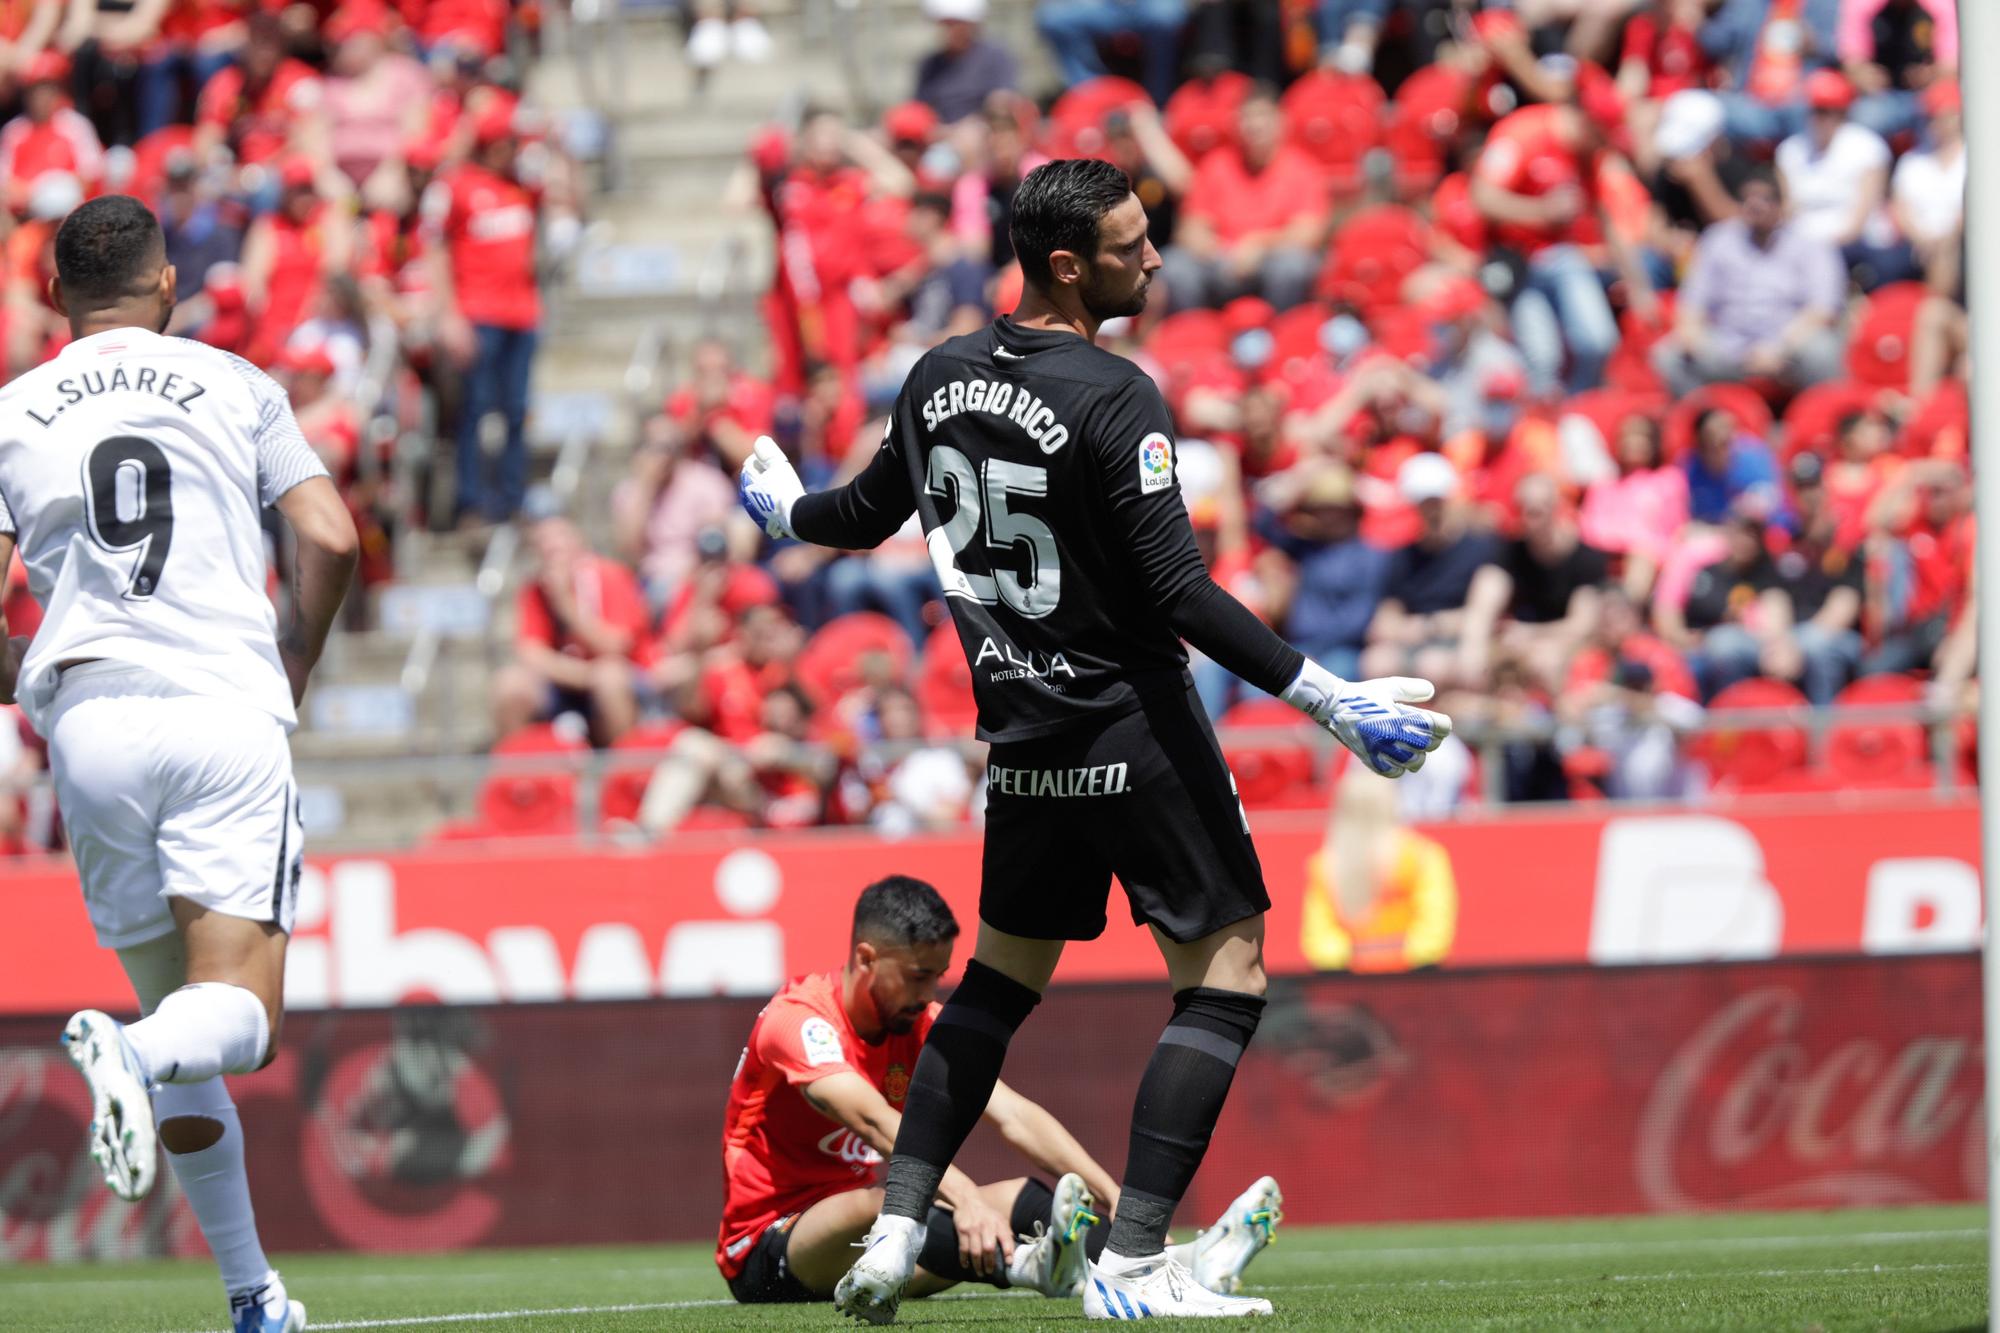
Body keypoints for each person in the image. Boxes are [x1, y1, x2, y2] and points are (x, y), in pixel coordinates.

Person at [738, 157, 1448, 1321]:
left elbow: (859, 516)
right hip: (1134, 722)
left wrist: (781, 512)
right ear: (1066, 264)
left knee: (993, 990)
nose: (1155, 257)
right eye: (1131, 243)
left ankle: (903, 1220)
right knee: (1224, 974)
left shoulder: (937, 373)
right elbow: (1176, 588)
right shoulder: (1115, 394)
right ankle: (1133, 1259)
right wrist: (1325, 694)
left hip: (1021, 745)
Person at [0, 196, 357, 1333]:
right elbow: (334, 534)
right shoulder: (236, 382)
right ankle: (128, 1047)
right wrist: (294, 646)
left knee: (183, 1028)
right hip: (218, 708)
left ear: (56, 298)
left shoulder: (10, 411)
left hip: (90, 731)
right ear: (168, 288)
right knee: (235, 1020)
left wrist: (43, 665)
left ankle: (253, 1295)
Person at [718, 874, 1282, 1306]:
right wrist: (964, 1201)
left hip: (865, 1248)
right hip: (769, 1247)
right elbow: (876, 1123)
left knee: (1021, 1198)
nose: (928, 992)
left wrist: (1115, 1197)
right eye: (917, 976)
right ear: (865, 958)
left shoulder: (915, 1023)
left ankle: (1169, 1264)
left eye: (937, 977)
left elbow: (1014, 1115)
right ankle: (1035, 1268)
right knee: (886, 1206)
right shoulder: (799, 1021)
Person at [1654, 168, 1844, 399]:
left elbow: (1822, 310)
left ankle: (1816, 423)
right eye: (1748, 199)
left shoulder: (1810, 245)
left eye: (1765, 199)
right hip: (1729, 347)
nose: (1756, 206)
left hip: (1788, 348)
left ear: (1782, 204)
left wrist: (1778, 347)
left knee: (1823, 350)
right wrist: (1690, 333)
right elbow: (1692, 302)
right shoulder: (1718, 240)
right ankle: (1705, 421)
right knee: (1669, 355)